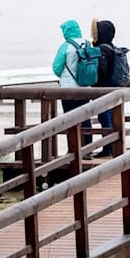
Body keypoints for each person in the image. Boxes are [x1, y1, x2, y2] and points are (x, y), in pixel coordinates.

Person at [52, 19, 92, 157]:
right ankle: (88, 149)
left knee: (70, 118)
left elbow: (56, 68)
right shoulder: (87, 43)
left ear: (66, 31)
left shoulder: (65, 46)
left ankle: (73, 150)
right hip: (85, 87)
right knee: (85, 117)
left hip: (68, 88)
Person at [90, 18, 126, 158]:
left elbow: (102, 70)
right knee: (110, 117)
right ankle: (113, 146)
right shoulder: (111, 46)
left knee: (105, 119)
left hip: (104, 90)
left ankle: (108, 147)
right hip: (112, 89)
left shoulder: (102, 49)